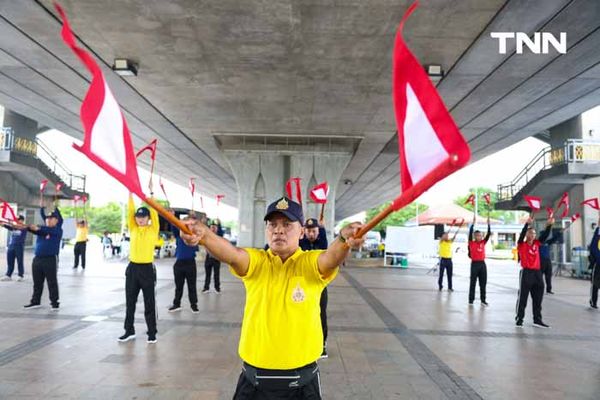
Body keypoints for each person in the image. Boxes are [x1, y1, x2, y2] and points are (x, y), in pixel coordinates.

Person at [181, 196, 364, 399]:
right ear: (266, 230)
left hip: (302, 387)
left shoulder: (310, 263)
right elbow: (232, 254)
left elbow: (330, 258)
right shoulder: (257, 262)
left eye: (287, 224)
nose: (278, 230)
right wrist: (204, 235)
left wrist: (343, 240)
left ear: (301, 231)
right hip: (253, 386)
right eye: (272, 225)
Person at [118, 194, 159, 344]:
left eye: (143, 216)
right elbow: (130, 211)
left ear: (148, 218)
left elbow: (155, 212)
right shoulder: (133, 228)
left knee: (149, 302)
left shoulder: (153, 229)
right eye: (138, 216)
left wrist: (152, 196)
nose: (140, 219)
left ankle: (152, 332)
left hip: (147, 269)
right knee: (130, 301)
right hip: (133, 269)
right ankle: (129, 331)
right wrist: (130, 194)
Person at [299, 218, 329, 359]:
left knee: (321, 314)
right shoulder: (301, 243)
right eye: (308, 231)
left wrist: (322, 229)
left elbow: (325, 243)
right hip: (302, 286)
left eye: (314, 231)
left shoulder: (321, 243)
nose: (311, 234)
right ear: (304, 231)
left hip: (319, 286)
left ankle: (322, 345)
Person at [515, 215, 553, 328]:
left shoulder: (537, 244)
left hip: (537, 273)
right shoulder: (521, 244)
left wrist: (549, 225)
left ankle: (537, 319)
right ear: (527, 234)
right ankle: (519, 318)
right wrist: (527, 224)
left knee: (538, 298)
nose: (533, 235)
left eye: (534, 234)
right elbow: (521, 236)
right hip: (526, 273)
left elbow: (545, 236)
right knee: (523, 297)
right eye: (530, 233)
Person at [23, 206, 63, 310]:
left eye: (51, 218)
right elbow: (32, 229)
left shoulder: (57, 230)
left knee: (51, 281)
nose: (48, 220)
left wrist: (56, 207)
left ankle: (54, 302)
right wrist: (24, 226)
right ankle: (35, 301)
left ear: (56, 220)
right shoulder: (41, 230)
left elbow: (41, 229)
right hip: (37, 259)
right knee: (37, 282)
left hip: (50, 259)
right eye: (47, 218)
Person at [168, 215, 200, 313]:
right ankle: (176, 304)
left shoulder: (194, 234)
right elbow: (174, 223)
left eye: (191, 223)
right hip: (179, 264)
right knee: (179, 286)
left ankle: (194, 305)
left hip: (190, 263)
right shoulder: (179, 233)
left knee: (192, 286)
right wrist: (172, 215)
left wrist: (191, 223)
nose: (189, 225)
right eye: (187, 222)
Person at [468, 215, 491, 306]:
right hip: (474, 264)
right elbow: (470, 233)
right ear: (475, 236)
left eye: (480, 235)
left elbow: (488, 234)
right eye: (477, 235)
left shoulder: (483, 242)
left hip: (482, 264)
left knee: (483, 283)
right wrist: (473, 224)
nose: (479, 237)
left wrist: (488, 225)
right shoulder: (471, 243)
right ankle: (471, 300)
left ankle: (483, 300)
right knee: (473, 282)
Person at [1, 215, 27, 281]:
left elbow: (15, 227)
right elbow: (10, 227)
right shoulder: (14, 227)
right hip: (11, 246)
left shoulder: (24, 227)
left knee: (19, 261)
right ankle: (8, 275)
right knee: (10, 261)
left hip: (19, 246)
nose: (16, 221)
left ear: (21, 220)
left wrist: (8, 224)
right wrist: (3, 224)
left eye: (18, 219)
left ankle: (20, 275)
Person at [438, 225, 460, 292]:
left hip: (449, 260)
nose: (447, 236)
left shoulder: (449, 241)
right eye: (445, 235)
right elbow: (442, 238)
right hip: (443, 260)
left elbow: (453, 239)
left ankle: (450, 287)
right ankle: (440, 285)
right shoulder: (441, 241)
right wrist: (445, 235)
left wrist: (455, 233)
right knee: (441, 274)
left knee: (449, 275)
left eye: (447, 235)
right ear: (442, 236)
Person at [203, 220, 222, 294]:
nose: (213, 229)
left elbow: (220, 232)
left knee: (216, 274)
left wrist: (219, 223)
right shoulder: (207, 236)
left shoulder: (218, 237)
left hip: (216, 258)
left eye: (215, 227)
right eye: (211, 227)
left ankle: (217, 288)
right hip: (208, 258)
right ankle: (206, 288)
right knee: (208, 274)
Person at [539, 228, 558, 295]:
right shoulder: (538, 243)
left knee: (549, 275)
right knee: (540, 276)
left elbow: (554, 239)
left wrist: (559, 233)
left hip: (547, 260)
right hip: (541, 260)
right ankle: (539, 288)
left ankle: (549, 289)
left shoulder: (547, 242)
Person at [588, 215, 600, 309]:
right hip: (598, 263)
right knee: (595, 283)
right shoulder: (597, 233)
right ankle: (593, 301)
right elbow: (593, 247)